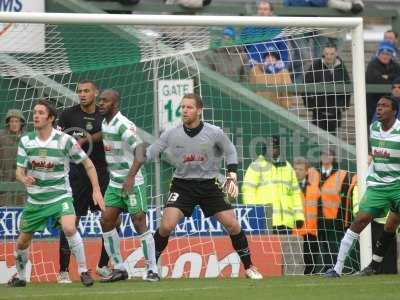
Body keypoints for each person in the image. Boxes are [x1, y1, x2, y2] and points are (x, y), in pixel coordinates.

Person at [128, 93, 263, 279]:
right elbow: (151, 152)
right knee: (166, 226)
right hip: (182, 186)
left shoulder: (214, 132)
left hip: (210, 185)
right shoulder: (171, 133)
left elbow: (230, 150)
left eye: (189, 107)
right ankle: (151, 268)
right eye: (182, 107)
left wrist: (232, 175)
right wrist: (136, 153)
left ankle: (249, 267)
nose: (184, 110)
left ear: (199, 110)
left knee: (232, 225)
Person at [8, 99, 105, 287]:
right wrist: (23, 178)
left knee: (69, 228)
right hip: (36, 201)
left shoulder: (64, 140)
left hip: (60, 196)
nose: (36, 115)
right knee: (21, 243)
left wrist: (96, 189)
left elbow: (88, 164)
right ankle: (20, 276)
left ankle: (84, 271)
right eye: (35, 112)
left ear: (51, 118)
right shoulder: (26, 140)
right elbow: (19, 171)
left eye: (41, 113)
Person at [325, 95, 400, 277]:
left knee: (390, 226)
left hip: (398, 185)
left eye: (384, 106)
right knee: (359, 221)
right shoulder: (373, 128)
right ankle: (337, 269)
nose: (379, 109)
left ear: (394, 111)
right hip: (378, 186)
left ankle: (373, 266)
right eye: (378, 106)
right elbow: (375, 153)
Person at [98, 89, 159, 282]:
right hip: (115, 183)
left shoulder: (123, 124)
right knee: (106, 220)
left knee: (139, 221)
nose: (100, 103)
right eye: (100, 100)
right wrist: (86, 139)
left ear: (115, 104)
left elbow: (141, 149)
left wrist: (131, 177)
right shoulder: (105, 122)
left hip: (132, 182)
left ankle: (152, 269)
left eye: (105, 101)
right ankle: (120, 268)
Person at [56, 80, 112, 283]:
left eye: (86, 91)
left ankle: (103, 266)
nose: (82, 94)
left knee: (110, 219)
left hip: (102, 173)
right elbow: (58, 140)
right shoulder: (68, 115)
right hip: (77, 175)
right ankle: (63, 271)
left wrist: (88, 139)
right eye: (79, 91)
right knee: (71, 222)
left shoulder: (103, 116)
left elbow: (111, 133)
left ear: (95, 93)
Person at [242, 136, 304, 235]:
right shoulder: (257, 165)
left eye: (275, 147)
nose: (273, 150)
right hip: (265, 221)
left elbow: (295, 194)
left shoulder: (288, 167)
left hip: (286, 223)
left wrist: (299, 216)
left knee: (285, 250)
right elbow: (248, 190)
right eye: (270, 147)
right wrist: (253, 213)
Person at [303, 44, 351, 134]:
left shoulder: (341, 67)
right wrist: (310, 104)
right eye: (327, 54)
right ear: (323, 53)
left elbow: (348, 86)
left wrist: (344, 105)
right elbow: (305, 85)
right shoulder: (316, 65)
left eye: (332, 54)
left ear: (336, 54)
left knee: (334, 140)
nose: (329, 56)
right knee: (316, 139)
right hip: (319, 111)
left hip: (335, 111)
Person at [317, 147, 350, 272]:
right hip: (319, 216)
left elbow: (345, 195)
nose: (326, 157)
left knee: (334, 243)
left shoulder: (341, 174)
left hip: (335, 216)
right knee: (323, 243)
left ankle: (336, 267)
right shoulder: (315, 173)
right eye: (324, 154)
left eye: (329, 154)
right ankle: (327, 266)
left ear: (333, 158)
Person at [292, 157, 321, 275]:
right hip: (296, 230)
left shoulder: (314, 187)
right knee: (296, 260)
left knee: (312, 258)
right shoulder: (289, 188)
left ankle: (312, 274)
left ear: (306, 171)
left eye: (300, 169)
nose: (297, 172)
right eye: (295, 169)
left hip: (312, 229)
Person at [366, 41, 400, 128]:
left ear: (392, 55)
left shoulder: (396, 66)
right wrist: (389, 78)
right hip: (373, 105)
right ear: (378, 54)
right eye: (383, 53)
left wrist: (385, 77)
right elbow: (373, 80)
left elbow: (397, 80)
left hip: (392, 106)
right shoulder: (372, 65)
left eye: (388, 54)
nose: (385, 56)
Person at [0, 109, 26, 206]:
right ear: (8, 123)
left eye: (17, 121)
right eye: (12, 121)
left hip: (21, 182)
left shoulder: (26, 138)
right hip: (4, 179)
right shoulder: (1, 136)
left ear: (21, 123)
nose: (14, 124)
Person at [283, 0, 364, 14]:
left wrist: (359, 5)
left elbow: (359, 4)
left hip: (341, 29)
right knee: (302, 53)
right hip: (325, 28)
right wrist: (349, 6)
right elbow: (330, 2)